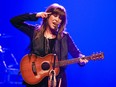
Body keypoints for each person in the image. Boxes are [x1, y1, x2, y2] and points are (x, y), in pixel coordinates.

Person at [10, 3, 88, 87]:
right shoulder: (35, 32)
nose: (57, 20)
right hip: (36, 81)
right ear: (47, 15)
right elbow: (14, 21)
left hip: (57, 82)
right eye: (55, 15)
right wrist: (36, 15)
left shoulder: (65, 37)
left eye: (60, 18)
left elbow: (77, 54)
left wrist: (82, 60)